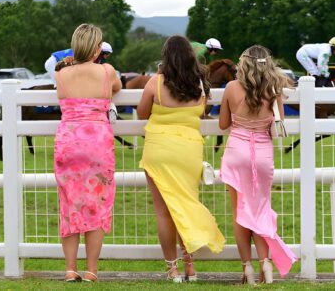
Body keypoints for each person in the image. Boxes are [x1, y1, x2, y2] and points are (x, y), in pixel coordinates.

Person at [138, 35, 225, 283]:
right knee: (185, 205)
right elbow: (202, 110)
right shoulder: (198, 84)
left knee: (164, 213)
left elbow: (142, 112)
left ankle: (172, 269)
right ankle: (190, 267)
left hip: (159, 150)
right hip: (188, 150)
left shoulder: (155, 82)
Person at [219, 45, 297, 284]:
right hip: (263, 155)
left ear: (244, 64)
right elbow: (277, 127)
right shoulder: (273, 89)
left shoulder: (231, 88)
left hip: (236, 153)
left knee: (239, 213)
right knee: (260, 209)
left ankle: (247, 269)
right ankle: (266, 265)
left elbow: (223, 124)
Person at [54, 23, 122, 283]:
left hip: (68, 142)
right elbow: (114, 88)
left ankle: (71, 269)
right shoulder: (107, 71)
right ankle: (91, 270)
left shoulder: (61, 74)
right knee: (98, 204)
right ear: (97, 48)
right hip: (96, 143)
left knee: (68, 204)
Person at [45, 42, 113, 83]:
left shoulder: (95, 57)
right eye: (107, 54)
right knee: (59, 84)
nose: (107, 56)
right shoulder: (86, 55)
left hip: (56, 62)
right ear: (102, 52)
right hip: (52, 62)